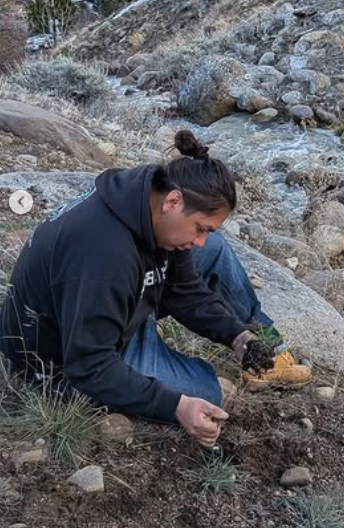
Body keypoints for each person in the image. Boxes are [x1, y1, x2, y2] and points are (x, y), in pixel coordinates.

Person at [0, 130, 310, 448]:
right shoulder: (104, 258)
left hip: (108, 306)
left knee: (215, 249)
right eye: (200, 227)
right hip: (61, 359)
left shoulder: (150, 199)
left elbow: (186, 291)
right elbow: (88, 366)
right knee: (206, 395)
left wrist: (238, 336)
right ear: (173, 202)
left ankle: (270, 347)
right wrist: (176, 405)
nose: (200, 239)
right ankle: (153, 353)